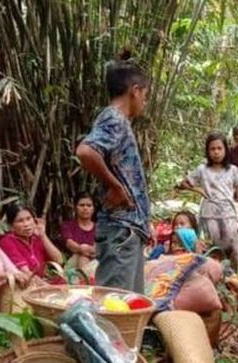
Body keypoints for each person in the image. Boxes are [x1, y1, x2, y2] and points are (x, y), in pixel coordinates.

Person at [75, 50, 151, 293]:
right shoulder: (115, 118)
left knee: (128, 308)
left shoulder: (117, 120)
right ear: (135, 90)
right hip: (121, 229)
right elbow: (86, 151)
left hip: (128, 229)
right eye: (145, 96)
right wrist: (116, 187)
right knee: (113, 308)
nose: (144, 102)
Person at [178, 132, 238, 273]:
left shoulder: (233, 170)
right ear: (208, 151)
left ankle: (235, 280)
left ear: (225, 150)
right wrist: (198, 190)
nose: (216, 152)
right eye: (212, 149)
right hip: (209, 214)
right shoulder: (202, 170)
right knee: (212, 248)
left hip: (229, 213)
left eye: (219, 148)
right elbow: (183, 183)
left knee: (234, 248)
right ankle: (213, 278)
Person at [0, 203, 63, 278]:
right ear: (11, 226)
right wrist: (47, 286)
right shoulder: (6, 241)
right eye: (20, 221)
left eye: (28, 219)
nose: (26, 224)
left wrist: (43, 235)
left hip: (42, 281)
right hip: (24, 283)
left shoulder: (36, 238)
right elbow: (25, 272)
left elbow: (59, 260)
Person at [61, 192, 96, 270]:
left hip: (95, 264)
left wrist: (85, 249)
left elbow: (99, 249)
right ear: (75, 208)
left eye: (89, 205)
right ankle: (84, 280)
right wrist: (82, 249)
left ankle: (83, 280)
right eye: (81, 205)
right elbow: (70, 244)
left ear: (93, 209)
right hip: (72, 265)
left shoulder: (99, 228)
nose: (85, 208)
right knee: (82, 256)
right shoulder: (68, 226)